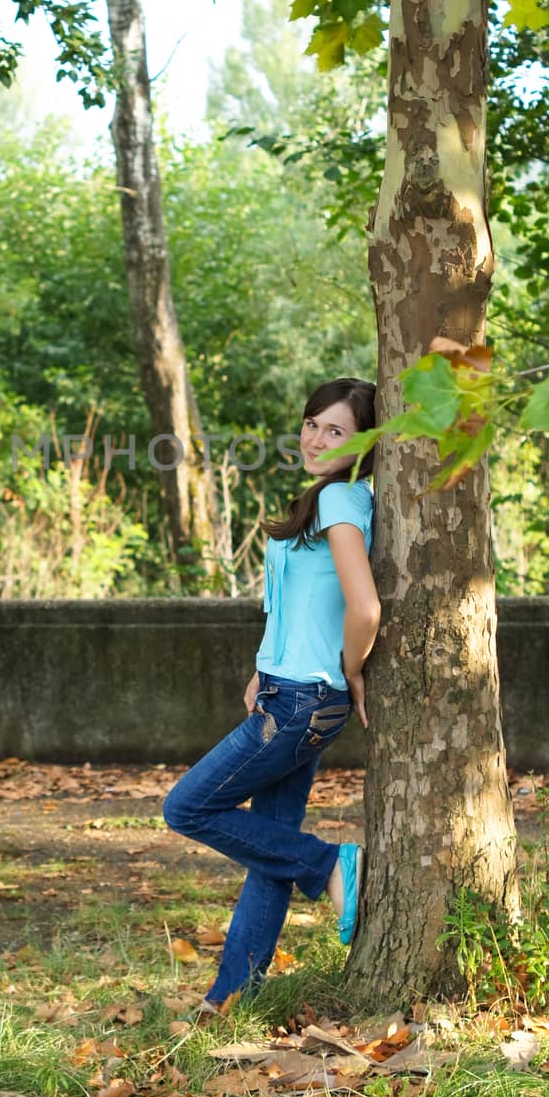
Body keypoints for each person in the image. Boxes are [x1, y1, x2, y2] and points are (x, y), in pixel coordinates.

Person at [163, 377, 381, 1016]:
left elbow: (364, 608)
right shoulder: (322, 500)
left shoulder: (342, 500)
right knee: (267, 847)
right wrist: (265, 665)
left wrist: (349, 670)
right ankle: (231, 998)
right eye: (312, 423)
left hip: (305, 699)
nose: (315, 437)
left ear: (363, 441)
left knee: (188, 808)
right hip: (286, 692)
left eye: (335, 430)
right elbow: (295, 606)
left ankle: (332, 866)